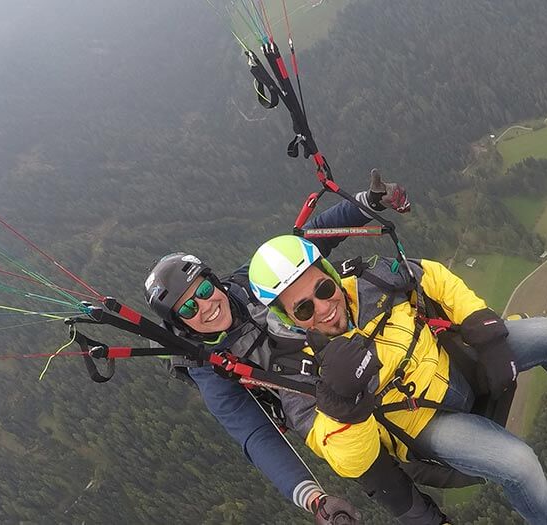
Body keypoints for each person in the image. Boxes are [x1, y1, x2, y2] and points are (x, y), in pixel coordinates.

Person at [245, 235, 547, 525]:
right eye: (302, 308)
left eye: (323, 287)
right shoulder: (294, 370)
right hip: (424, 425)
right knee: (521, 464)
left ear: (331, 274)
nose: (324, 307)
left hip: (457, 363)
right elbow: (349, 461)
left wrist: (485, 332)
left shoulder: (368, 282)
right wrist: (340, 403)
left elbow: (431, 278)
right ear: (284, 317)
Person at [140, 173, 410, 524]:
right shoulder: (211, 369)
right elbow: (255, 435)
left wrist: (368, 201)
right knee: (402, 497)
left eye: (204, 291)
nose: (206, 306)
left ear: (213, 280)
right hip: (319, 411)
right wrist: (314, 499)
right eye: (189, 309)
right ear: (180, 324)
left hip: (356, 357)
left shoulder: (246, 284)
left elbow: (309, 239)